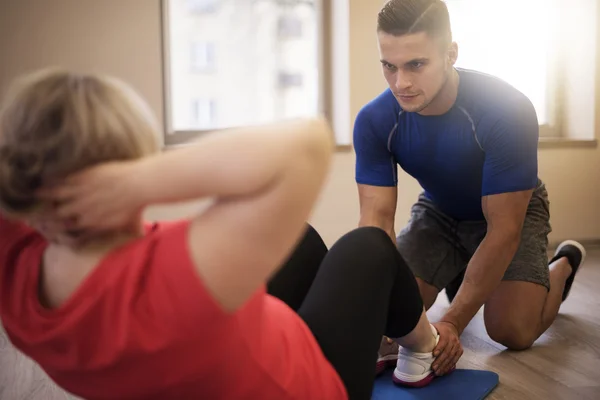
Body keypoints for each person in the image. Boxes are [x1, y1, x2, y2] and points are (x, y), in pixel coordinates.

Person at [0, 68, 442, 400]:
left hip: (231, 359)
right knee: (367, 247)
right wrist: (135, 180)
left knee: (300, 239)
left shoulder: (16, 265)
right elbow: (307, 140)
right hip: (311, 386)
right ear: (123, 169)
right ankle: (423, 349)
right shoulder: (169, 276)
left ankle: (390, 342)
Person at [355, 0, 586, 377]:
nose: (402, 83)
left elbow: (504, 229)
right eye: (389, 66)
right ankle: (465, 275)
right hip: (439, 212)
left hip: (513, 212)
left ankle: (561, 265)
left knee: (512, 330)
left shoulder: (506, 108)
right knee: (389, 315)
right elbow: (375, 223)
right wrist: (378, 307)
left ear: (450, 54)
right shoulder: (374, 120)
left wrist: (453, 322)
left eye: (416, 64)